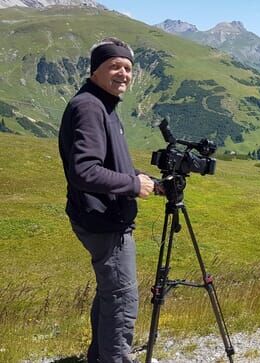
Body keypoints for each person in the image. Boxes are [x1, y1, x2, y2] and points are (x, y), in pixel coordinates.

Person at [58, 37, 154, 362]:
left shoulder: (103, 104)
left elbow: (111, 164)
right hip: (104, 222)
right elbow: (84, 171)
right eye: (114, 66)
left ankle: (98, 356)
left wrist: (150, 182)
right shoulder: (89, 107)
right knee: (123, 300)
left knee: (111, 294)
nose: (123, 74)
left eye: (128, 68)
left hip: (103, 216)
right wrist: (131, 184)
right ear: (95, 70)